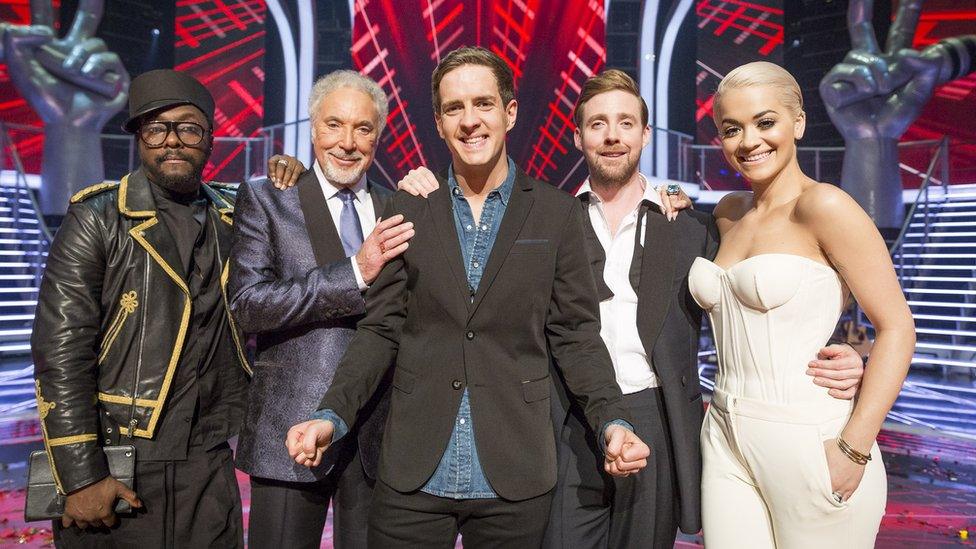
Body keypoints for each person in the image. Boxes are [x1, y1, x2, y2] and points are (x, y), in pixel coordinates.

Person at [397, 69, 868, 549]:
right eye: (597, 123)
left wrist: (837, 350)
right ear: (578, 135)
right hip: (565, 419)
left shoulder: (691, 226)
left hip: (656, 418)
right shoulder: (543, 216)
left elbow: (770, 288)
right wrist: (427, 182)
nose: (612, 136)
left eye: (625, 123)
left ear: (645, 134)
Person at [284, 46, 651, 547]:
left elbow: (576, 337)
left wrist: (611, 420)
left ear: (510, 112)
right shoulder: (409, 206)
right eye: (454, 108)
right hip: (414, 468)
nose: (470, 121)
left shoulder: (557, 215)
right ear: (438, 122)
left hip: (515, 470)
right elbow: (381, 329)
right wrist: (333, 413)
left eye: (483, 104)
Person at [691, 61, 915, 547]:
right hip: (724, 436)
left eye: (765, 122)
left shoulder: (826, 206)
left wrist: (853, 449)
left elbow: (897, 327)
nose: (749, 140)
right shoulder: (729, 213)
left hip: (811, 440)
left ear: (798, 122)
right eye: (732, 129)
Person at [31, 69, 251, 547]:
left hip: (209, 464)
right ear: (138, 139)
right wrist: (80, 475)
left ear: (210, 139)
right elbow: (61, 352)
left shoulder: (233, 218)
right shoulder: (97, 217)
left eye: (188, 128)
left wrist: (285, 170)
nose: (172, 140)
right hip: (117, 464)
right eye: (156, 127)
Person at [227, 70, 414, 548]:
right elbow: (247, 305)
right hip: (289, 429)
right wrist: (354, 273)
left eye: (363, 128)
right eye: (334, 125)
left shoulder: (399, 207)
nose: (347, 143)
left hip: (378, 433)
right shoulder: (269, 198)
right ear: (312, 129)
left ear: (379, 134)